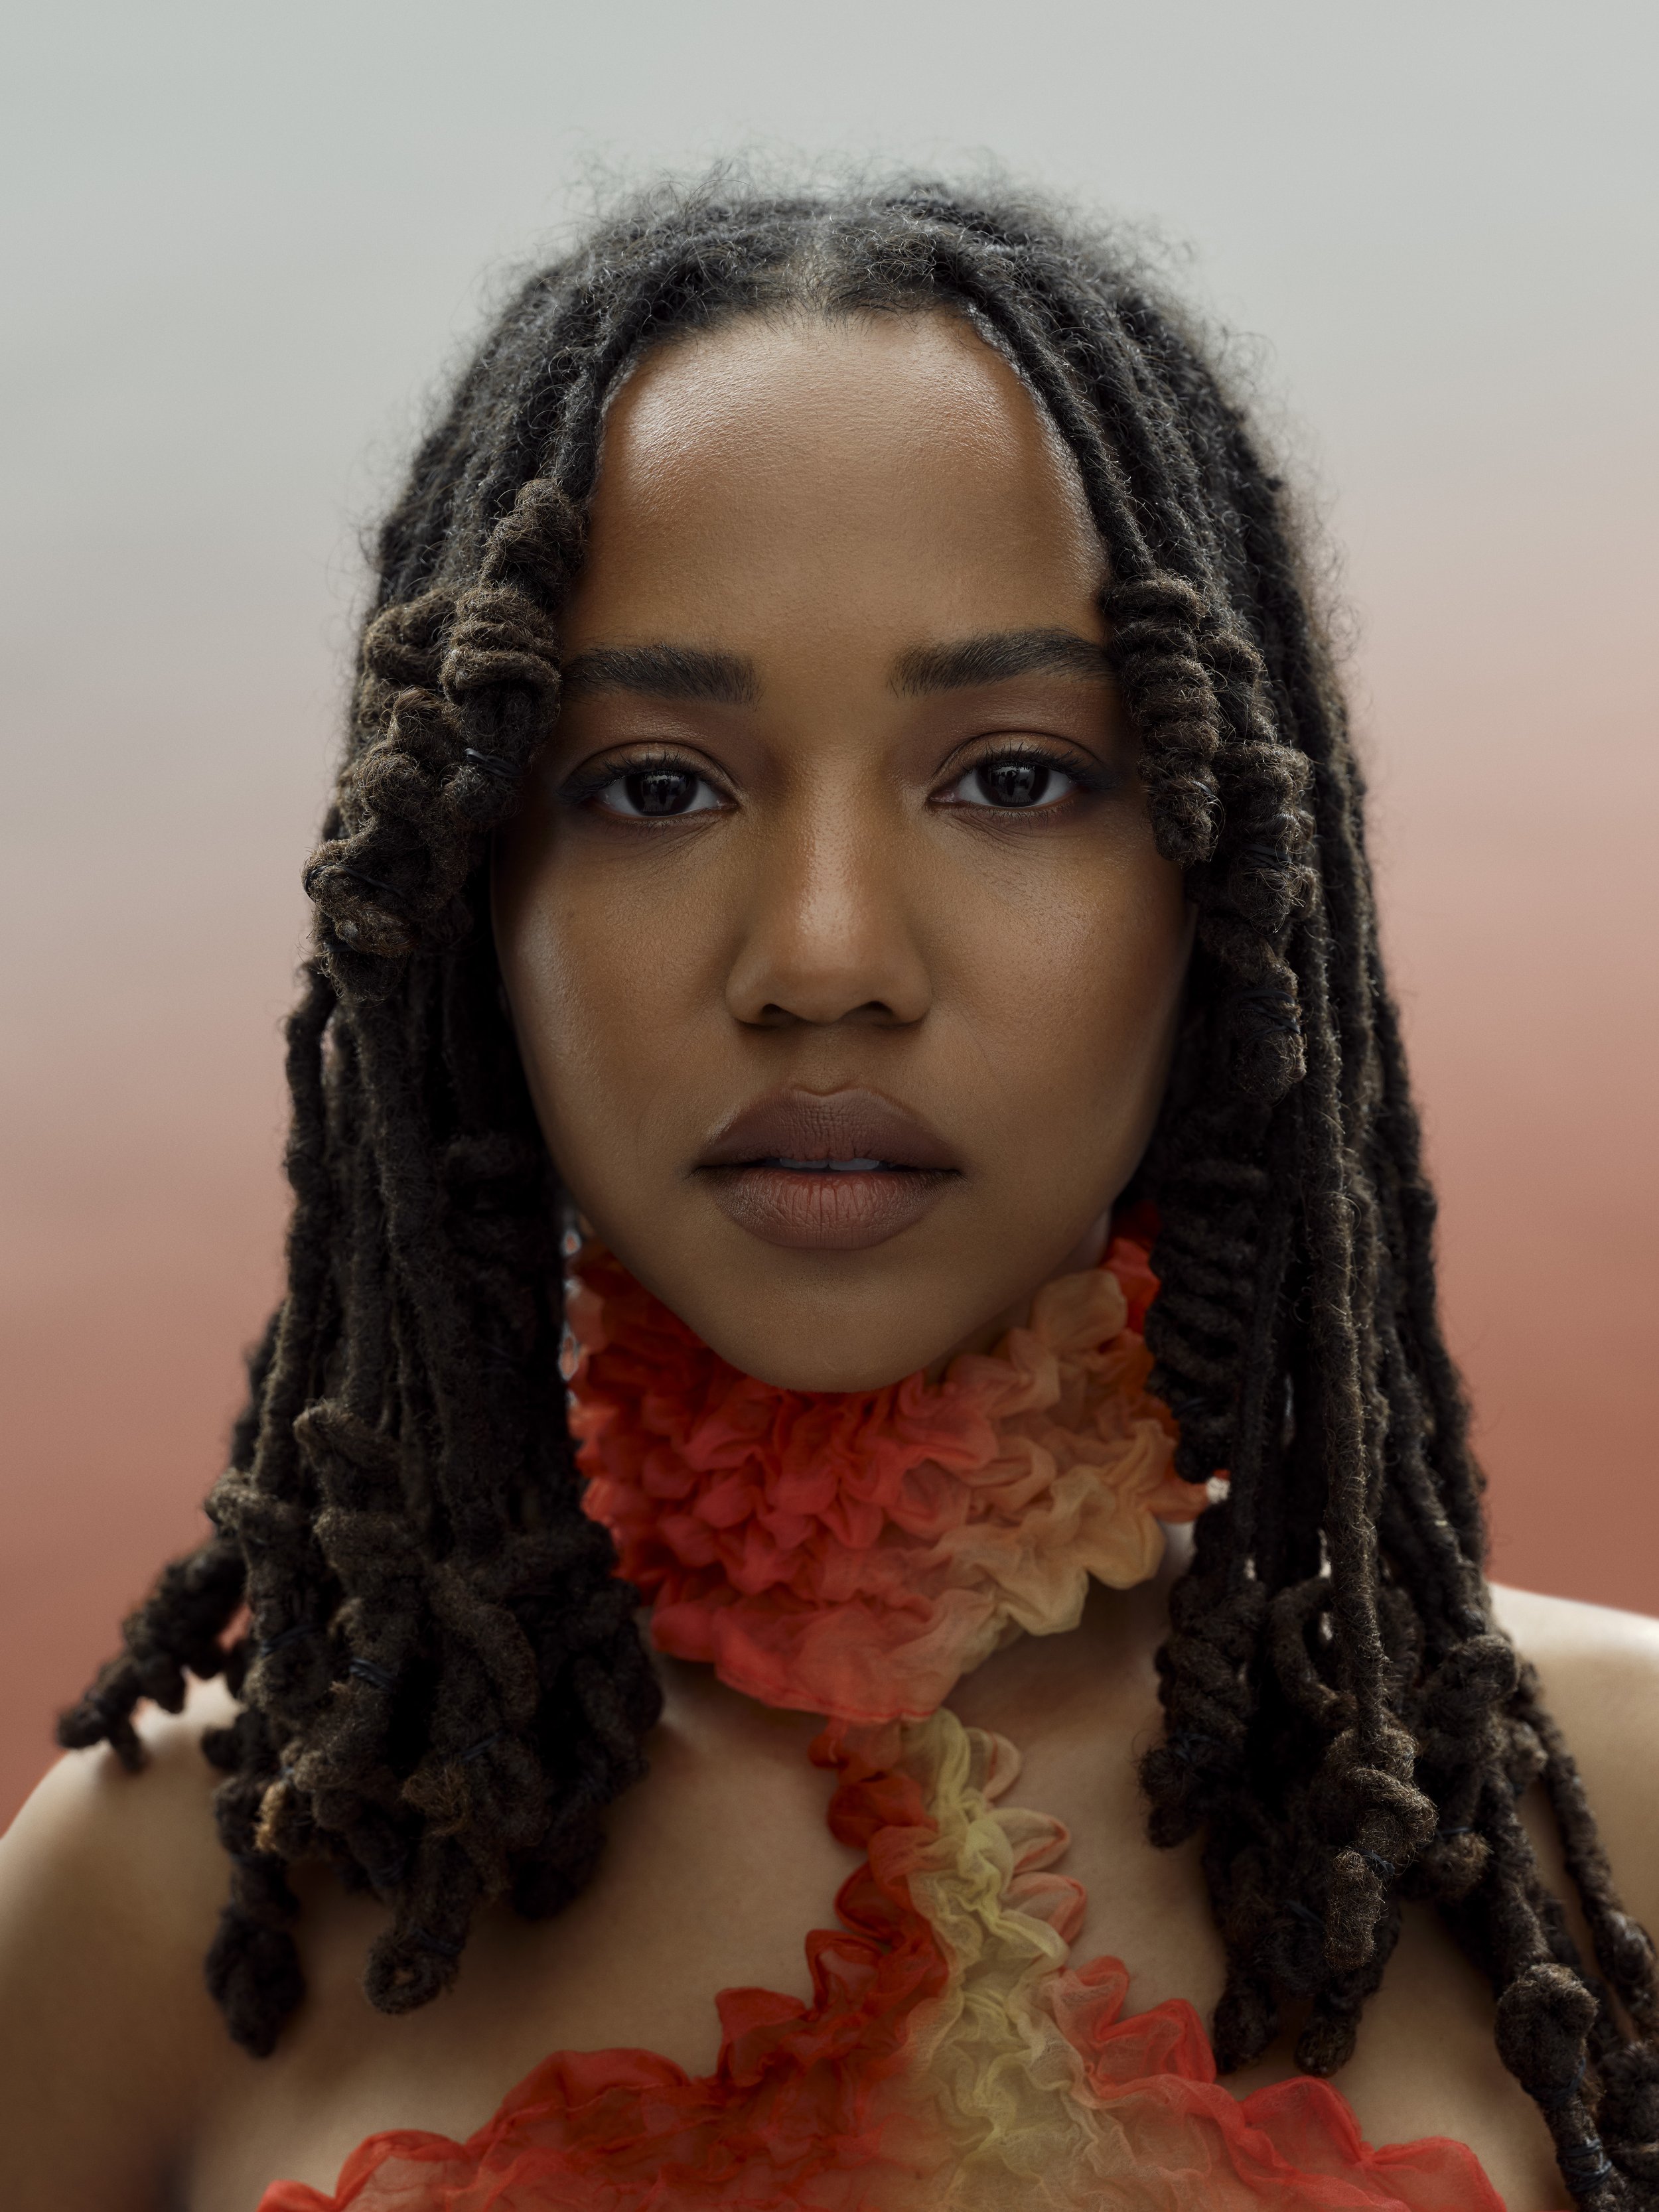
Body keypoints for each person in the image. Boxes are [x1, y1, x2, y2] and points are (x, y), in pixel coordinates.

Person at [2, 180, 1656, 2212]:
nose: (821, 956)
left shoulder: (1610, 1822)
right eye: (652, 786)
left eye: (1015, 776)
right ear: (458, 904)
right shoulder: (166, 1890)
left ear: (1226, 885)